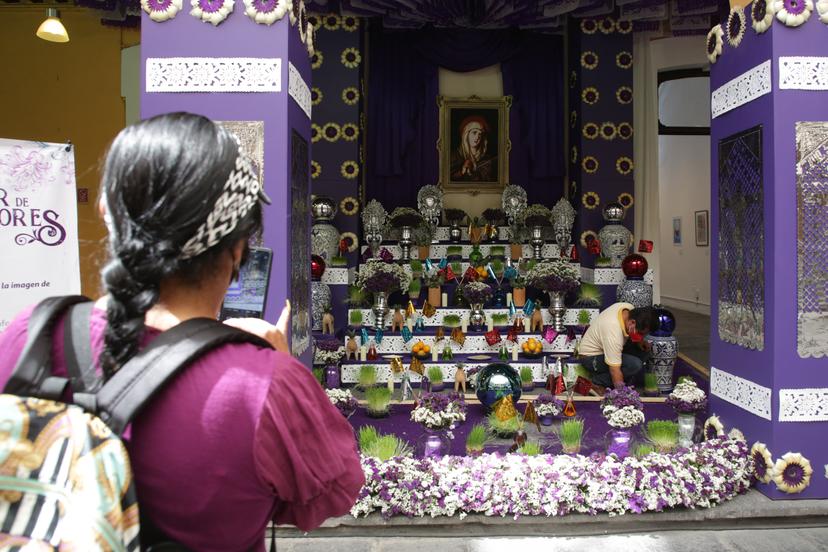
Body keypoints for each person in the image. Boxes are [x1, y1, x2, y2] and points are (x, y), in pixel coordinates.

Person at [0, 113, 364, 551]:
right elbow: (330, 496)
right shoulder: (266, 386)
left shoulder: (32, 334)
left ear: (108, 215)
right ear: (240, 246)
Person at [577, 302, 660, 392]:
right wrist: (621, 395)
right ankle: (596, 382)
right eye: (640, 333)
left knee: (644, 351)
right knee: (634, 364)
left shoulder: (629, 309)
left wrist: (640, 341)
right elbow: (614, 369)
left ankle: (617, 380)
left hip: (608, 348)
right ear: (632, 322)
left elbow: (635, 332)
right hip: (590, 357)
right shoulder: (613, 332)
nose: (642, 336)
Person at [450, 115, 497, 182]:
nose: (477, 137)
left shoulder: (486, 159)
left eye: (480, 134)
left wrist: (472, 171)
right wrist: (462, 171)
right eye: (474, 132)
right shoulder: (454, 156)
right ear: (466, 134)